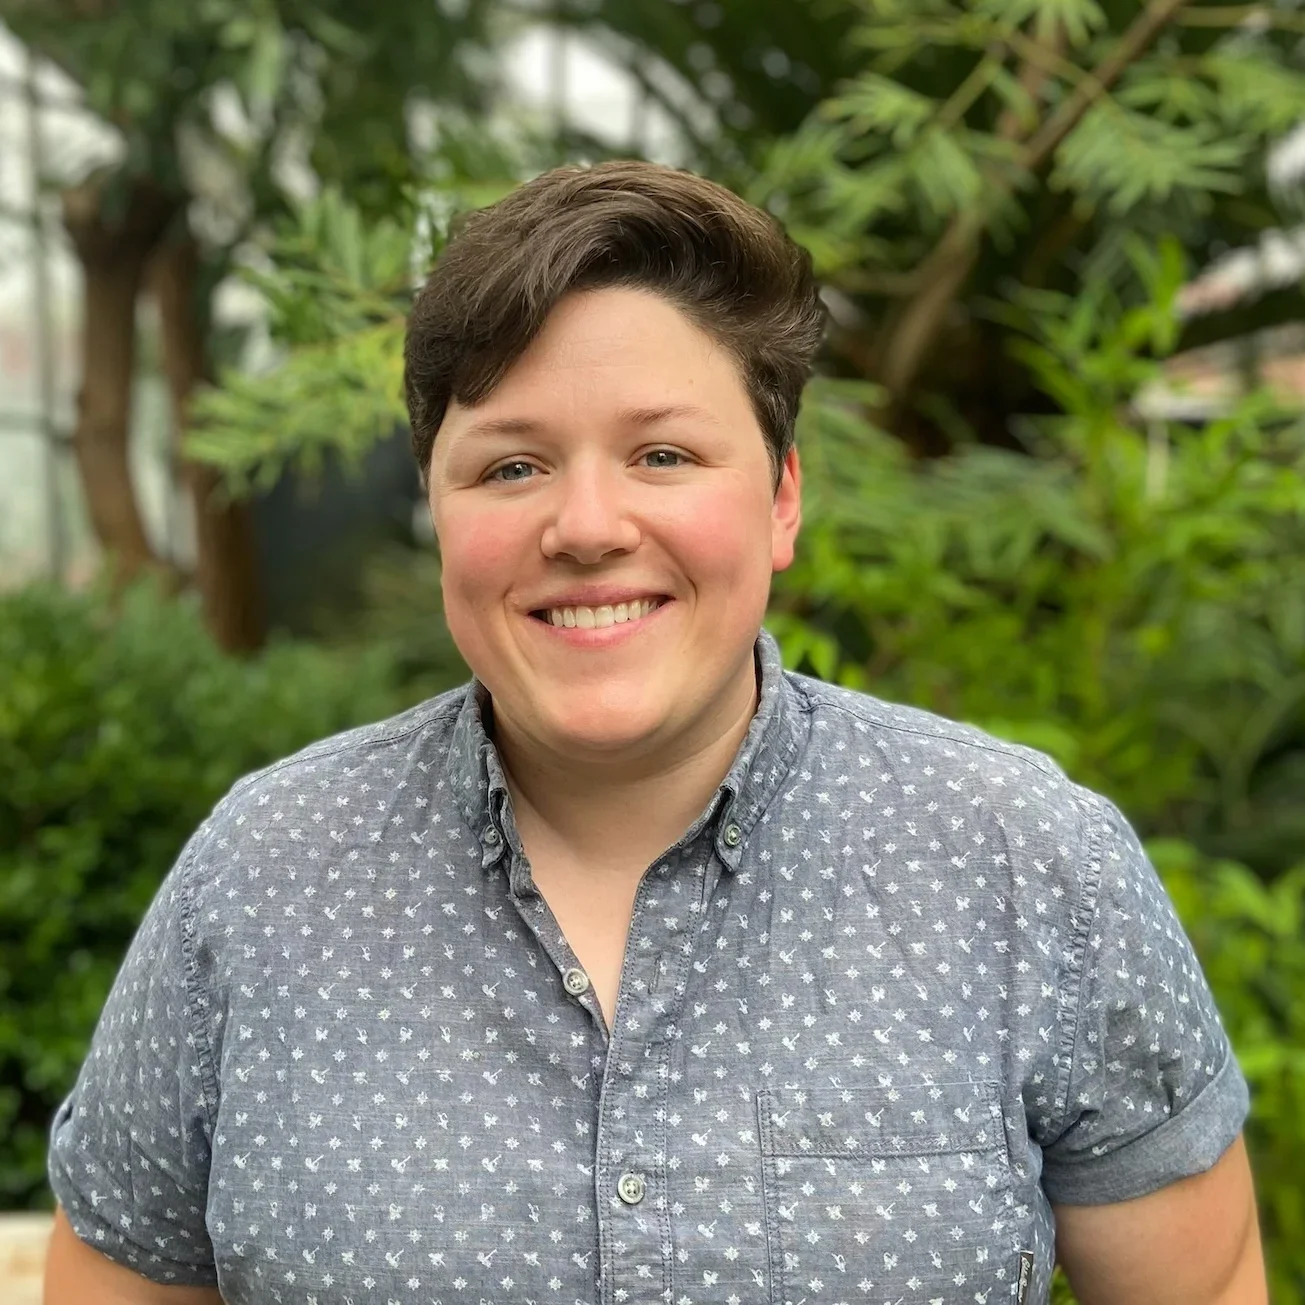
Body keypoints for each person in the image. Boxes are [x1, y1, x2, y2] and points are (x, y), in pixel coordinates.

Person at [43, 159, 1266, 1305]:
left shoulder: (1026, 862)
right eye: (512, 467)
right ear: (436, 508)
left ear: (782, 496)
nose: (586, 525)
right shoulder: (261, 881)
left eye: (664, 453)